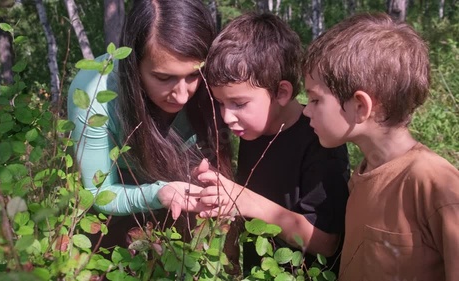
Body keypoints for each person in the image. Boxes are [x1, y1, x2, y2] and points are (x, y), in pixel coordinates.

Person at [301, 12, 459, 281]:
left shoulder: (434, 182)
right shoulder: (362, 176)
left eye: (315, 100)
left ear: (361, 106)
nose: (306, 111)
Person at [67, 0, 233, 252]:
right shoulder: (93, 94)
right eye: (164, 78)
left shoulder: (212, 79)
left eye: (192, 76)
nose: (182, 96)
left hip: (184, 194)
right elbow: (98, 193)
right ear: (134, 64)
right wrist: (157, 193)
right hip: (121, 195)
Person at [196, 12, 350, 275]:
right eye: (221, 103)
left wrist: (242, 199)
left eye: (239, 104)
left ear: (281, 92)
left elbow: (326, 242)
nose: (226, 117)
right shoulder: (253, 131)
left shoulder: (320, 141)